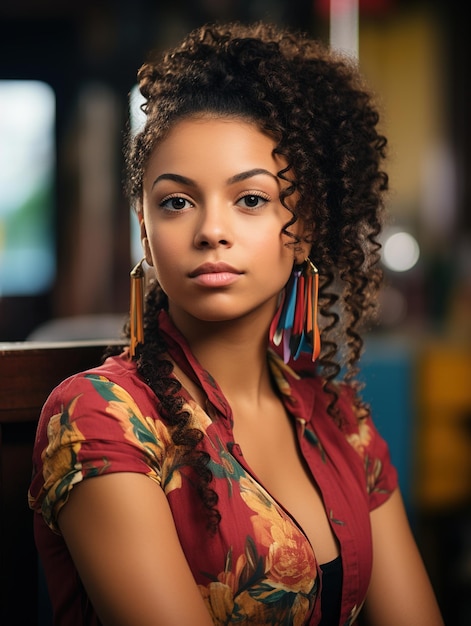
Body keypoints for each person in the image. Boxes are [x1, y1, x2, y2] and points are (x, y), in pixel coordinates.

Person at [28, 20, 444, 626]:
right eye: (176, 201)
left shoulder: (339, 419)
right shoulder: (101, 418)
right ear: (145, 227)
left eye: (250, 199)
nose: (210, 231)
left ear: (303, 229)